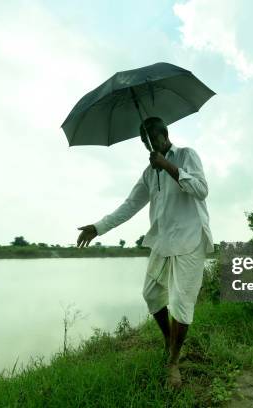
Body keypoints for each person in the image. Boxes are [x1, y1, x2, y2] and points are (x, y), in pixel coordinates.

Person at [76, 116, 214, 388]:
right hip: (163, 242)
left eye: (151, 138)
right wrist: (98, 227)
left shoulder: (186, 156)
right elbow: (129, 205)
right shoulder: (149, 173)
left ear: (164, 134)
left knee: (182, 303)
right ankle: (168, 338)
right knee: (151, 294)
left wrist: (169, 166)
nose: (148, 144)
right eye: (143, 141)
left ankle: (173, 362)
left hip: (189, 241)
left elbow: (201, 190)